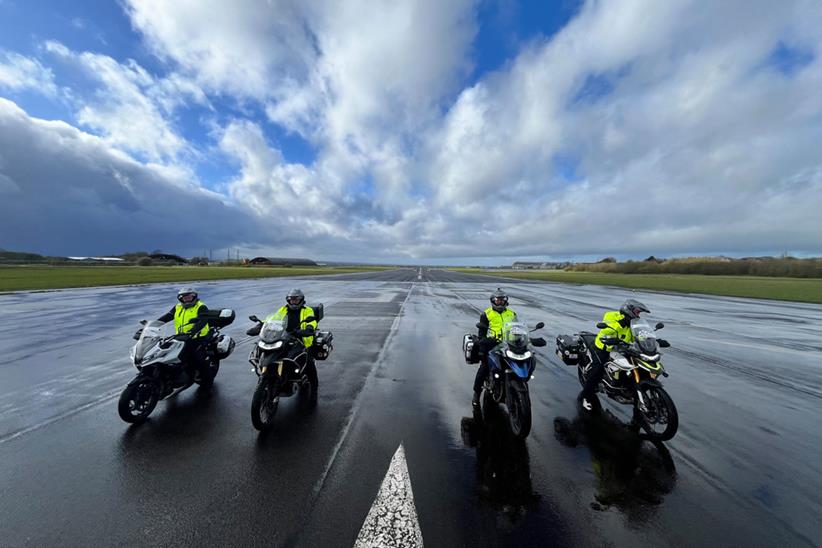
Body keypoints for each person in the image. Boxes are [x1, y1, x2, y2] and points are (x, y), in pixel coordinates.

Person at [580, 299, 650, 411]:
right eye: (637, 312)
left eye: (639, 313)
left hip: (622, 349)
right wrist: (621, 323)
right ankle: (586, 397)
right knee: (597, 372)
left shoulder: (634, 322)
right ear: (628, 310)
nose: (638, 315)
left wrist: (649, 340)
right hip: (605, 347)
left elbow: (639, 335)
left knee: (638, 369)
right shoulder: (611, 316)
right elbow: (606, 331)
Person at [265, 288, 319, 390]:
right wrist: (261, 324)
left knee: (309, 364)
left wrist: (309, 328)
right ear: (288, 300)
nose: (293, 301)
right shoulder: (283, 309)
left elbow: (312, 321)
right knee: (274, 354)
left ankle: (314, 388)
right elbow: (274, 318)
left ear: (301, 300)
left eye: (296, 299)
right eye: (291, 299)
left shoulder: (307, 310)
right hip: (285, 338)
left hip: (302, 340)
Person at [156, 287, 213, 383]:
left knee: (199, 361)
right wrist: (153, 324)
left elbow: (202, 322)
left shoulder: (201, 307)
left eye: (189, 297)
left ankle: (207, 386)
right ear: (180, 298)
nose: (187, 299)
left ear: (194, 297)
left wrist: (191, 332)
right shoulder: (178, 307)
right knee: (169, 357)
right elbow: (167, 316)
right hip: (181, 337)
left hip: (198, 338)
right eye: (184, 297)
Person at [473, 288, 518, 407]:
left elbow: (517, 328)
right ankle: (476, 394)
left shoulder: (511, 313)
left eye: (502, 300)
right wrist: (484, 342)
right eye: (498, 300)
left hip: (509, 343)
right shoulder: (486, 314)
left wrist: (526, 338)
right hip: (492, 344)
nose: (500, 302)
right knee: (484, 368)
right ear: (493, 301)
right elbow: (481, 334)